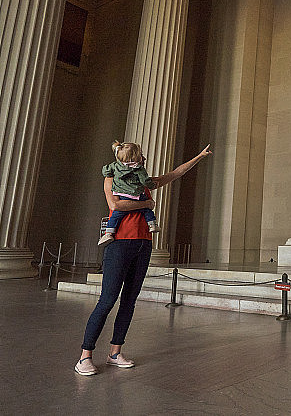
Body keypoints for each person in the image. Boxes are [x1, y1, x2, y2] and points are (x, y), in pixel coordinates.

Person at [74, 144, 212, 376]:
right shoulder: (110, 178)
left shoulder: (143, 181)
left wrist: (198, 156)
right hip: (119, 244)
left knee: (129, 301)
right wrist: (146, 204)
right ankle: (85, 356)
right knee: (107, 301)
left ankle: (115, 353)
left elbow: (175, 174)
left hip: (143, 244)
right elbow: (115, 205)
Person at [99, 140, 159, 247]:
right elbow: (115, 205)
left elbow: (105, 170)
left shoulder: (115, 167)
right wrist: (148, 200)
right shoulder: (139, 170)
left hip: (122, 196)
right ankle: (152, 224)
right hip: (124, 236)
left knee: (115, 217)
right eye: (141, 155)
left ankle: (108, 233)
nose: (144, 158)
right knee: (147, 210)